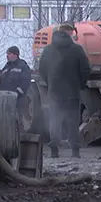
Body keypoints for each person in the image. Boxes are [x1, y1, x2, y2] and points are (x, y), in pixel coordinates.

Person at [37, 24, 91, 158]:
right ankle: (75, 151)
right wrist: (80, 85)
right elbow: (85, 69)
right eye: (72, 32)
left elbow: (42, 70)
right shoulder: (77, 49)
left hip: (54, 92)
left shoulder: (48, 50)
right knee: (72, 122)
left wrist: (51, 83)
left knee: (54, 121)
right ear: (68, 32)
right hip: (72, 93)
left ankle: (54, 149)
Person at [0, 46, 32, 112]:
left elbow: (25, 82)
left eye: (9, 54)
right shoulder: (6, 67)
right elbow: (1, 82)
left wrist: (17, 93)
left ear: (15, 55)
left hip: (18, 99)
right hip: (5, 99)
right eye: (7, 54)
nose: (7, 56)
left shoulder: (22, 66)